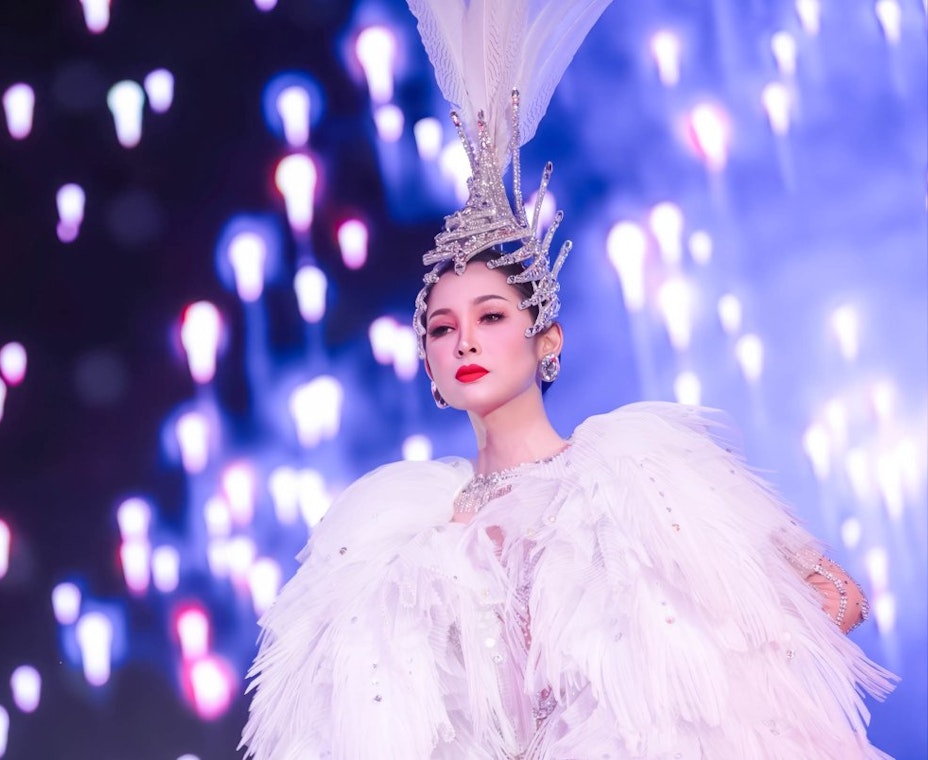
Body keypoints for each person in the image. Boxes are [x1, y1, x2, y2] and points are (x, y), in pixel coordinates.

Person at [241, 1, 895, 757]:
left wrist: (716, 686)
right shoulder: (396, 534)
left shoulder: (630, 477)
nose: (465, 341)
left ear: (545, 339)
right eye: (443, 328)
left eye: (490, 317)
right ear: (427, 364)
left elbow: (836, 599)